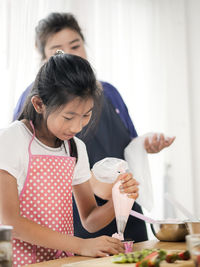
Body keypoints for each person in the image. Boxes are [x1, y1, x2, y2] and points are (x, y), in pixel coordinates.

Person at [12, 12, 175, 243]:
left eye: (75, 45)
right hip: (67, 230)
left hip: (118, 217)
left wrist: (121, 192)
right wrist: (92, 183)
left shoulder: (106, 95)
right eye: (68, 116)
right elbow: (20, 198)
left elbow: (128, 144)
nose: (77, 127)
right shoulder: (20, 125)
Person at [0, 52, 140, 267]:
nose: (77, 127)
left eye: (86, 115)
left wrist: (118, 199)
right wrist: (82, 246)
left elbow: (90, 220)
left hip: (62, 263)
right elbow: (10, 222)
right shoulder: (11, 139)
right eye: (68, 117)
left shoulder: (75, 148)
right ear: (39, 104)